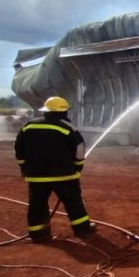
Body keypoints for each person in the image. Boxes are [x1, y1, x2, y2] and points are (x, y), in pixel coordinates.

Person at [14, 96, 96, 242]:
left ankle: (38, 234)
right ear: (64, 112)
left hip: (36, 176)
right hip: (64, 175)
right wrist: (78, 167)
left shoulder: (29, 126)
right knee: (73, 202)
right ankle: (82, 229)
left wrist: (24, 167)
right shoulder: (68, 128)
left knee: (37, 204)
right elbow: (79, 150)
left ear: (45, 111)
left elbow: (19, 149)